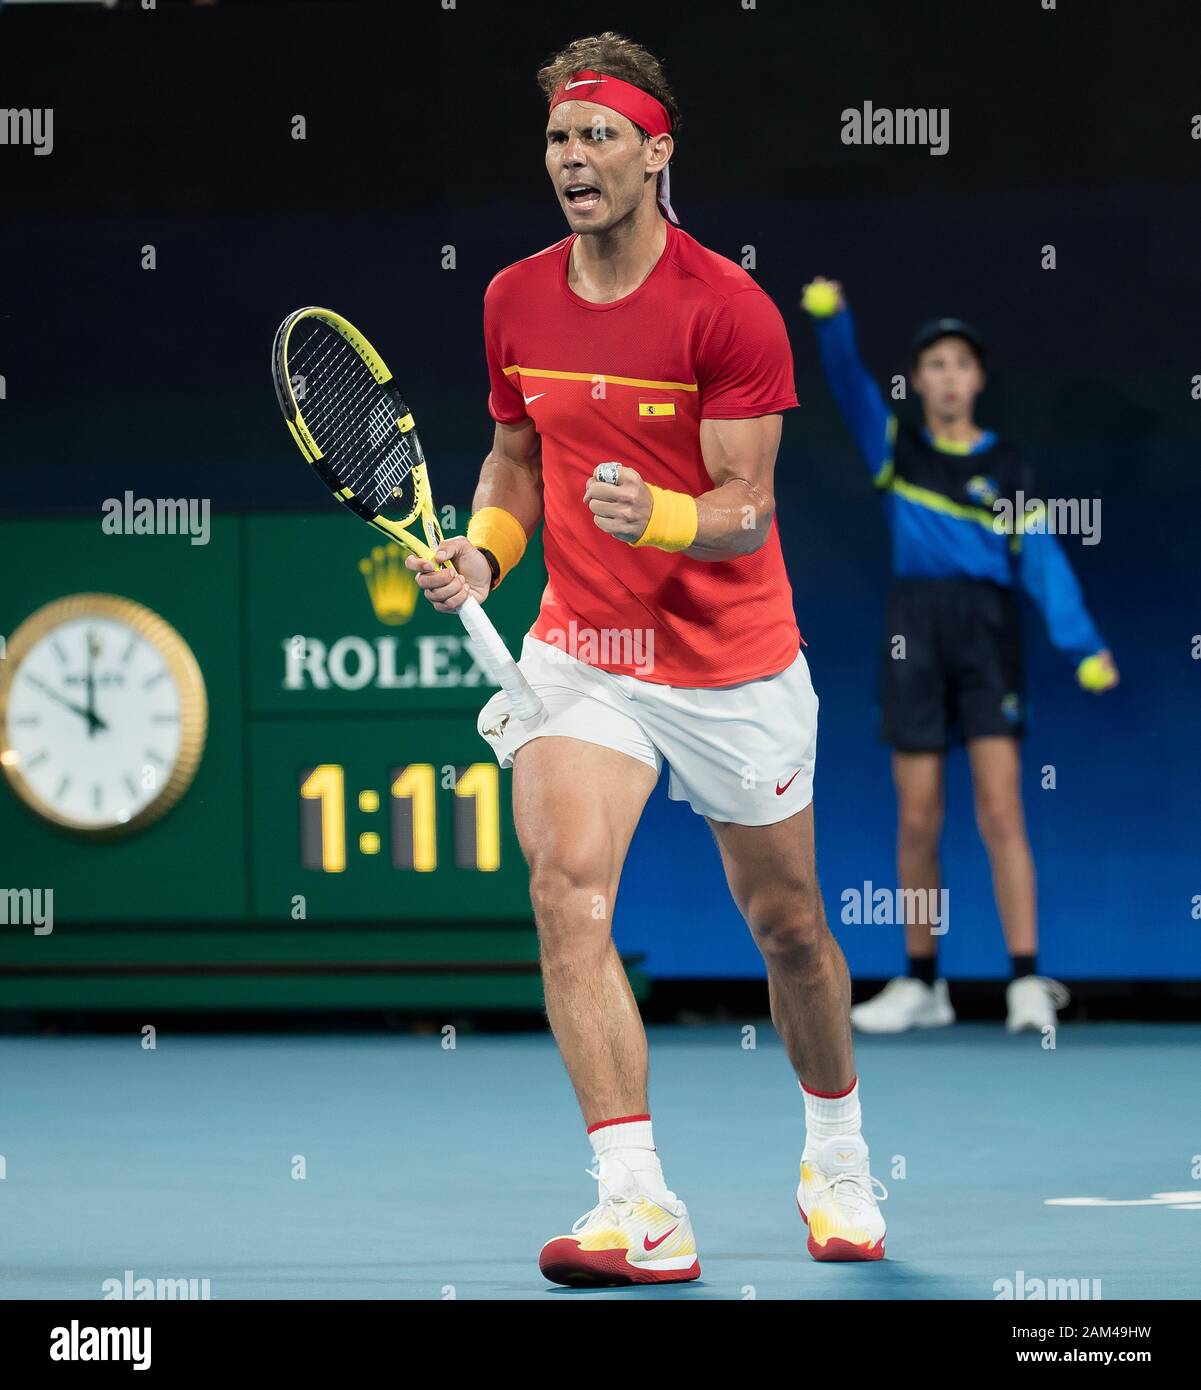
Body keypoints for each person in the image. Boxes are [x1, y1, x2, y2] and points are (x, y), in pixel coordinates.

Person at [407, 34, 886, 1284]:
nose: (573, 159)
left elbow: (748, 505)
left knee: (787, 928)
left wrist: (660, 514)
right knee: (565, 892)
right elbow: (515, 458)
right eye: (560, 139)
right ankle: (638, 1202)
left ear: (655, 151)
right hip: (586, 654)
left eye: (598, 137)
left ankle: (834, 1150)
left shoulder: (728, 308)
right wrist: (487, 556)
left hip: (733, 666)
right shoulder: (513, 296)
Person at [801, 278, 1118, 1035]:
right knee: (916, 819)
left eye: (959, 364)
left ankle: (1023, 980)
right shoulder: (894, 451)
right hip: (913, 630)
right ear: (919, 381)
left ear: (977, 379)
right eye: (933, 364)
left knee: (1000, 808)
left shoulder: (1010, 471)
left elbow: (1041, 560)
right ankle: (922, 984)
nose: (946, 377)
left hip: (986, 634)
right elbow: (846, 383)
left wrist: (1082, 644)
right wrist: (834, 323)